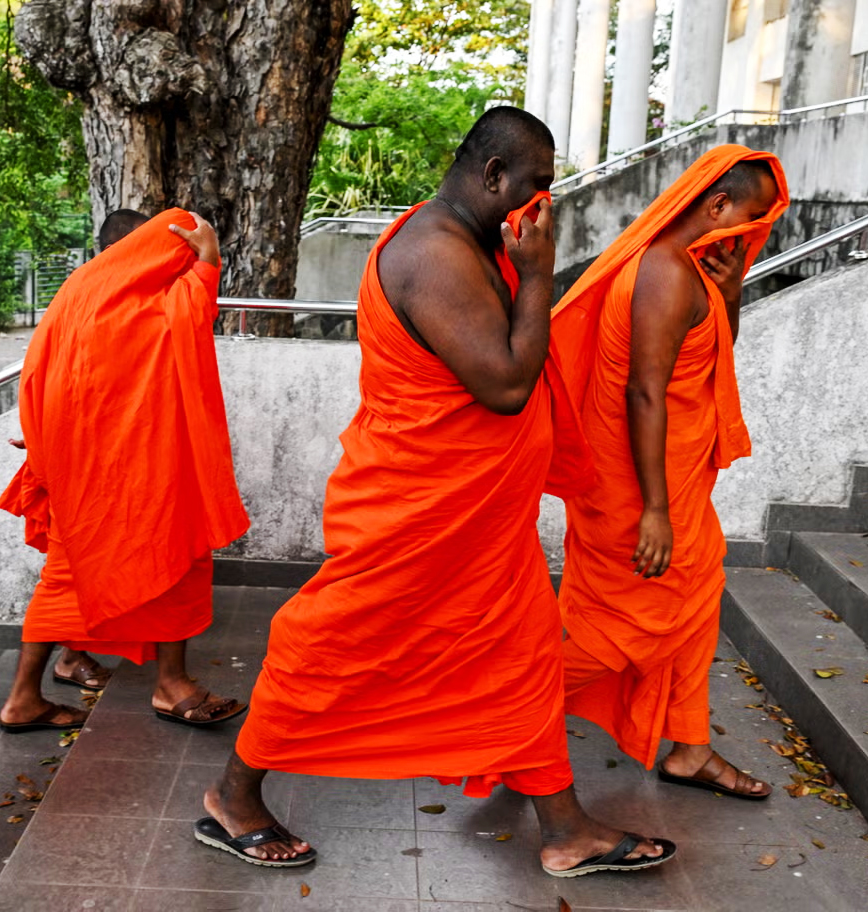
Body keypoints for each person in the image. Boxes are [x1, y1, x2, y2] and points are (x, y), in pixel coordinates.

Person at [198, 106, 675, 877]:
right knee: (327, 644)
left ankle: (566, 826)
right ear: (493, 175)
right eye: (536, 186)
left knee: (520, 653)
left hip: (481, 521)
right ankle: (233, 797)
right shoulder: (431, 250)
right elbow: (508, 384)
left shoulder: (476, 242)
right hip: (415, 509)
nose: (544, 204)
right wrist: (544, 272)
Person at [550, 145, 789, 798]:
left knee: (699, 590)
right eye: (750, 215)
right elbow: (645, 391)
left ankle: (690, 747)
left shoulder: (695, 272)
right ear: (716, 205)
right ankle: (501, 708)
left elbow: (709, 353)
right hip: (637, 490)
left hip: (670, 481)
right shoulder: (664, 271)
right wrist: (655, 509)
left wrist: (733, 290)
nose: (752, 231)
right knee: (625, 628)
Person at [0, 207, 250, 733]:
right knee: (170, 559)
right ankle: (168, 684)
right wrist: (208, 265)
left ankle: (42, 691)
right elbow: (188, 323)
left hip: (95, 469)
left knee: (76, 575)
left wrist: (42, 436)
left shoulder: (76, 293)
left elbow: (39, 372)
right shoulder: (152, 301)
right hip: (134, 471)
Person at [9, 208, 155, 698]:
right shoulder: (90, 299)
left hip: (118, 458)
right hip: (84, 464)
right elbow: (54, 374)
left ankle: (70, 659)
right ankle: (23, 695)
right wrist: (42, 432)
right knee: (64, 577)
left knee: (101, 567)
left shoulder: (120, 297)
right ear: (118, 249)